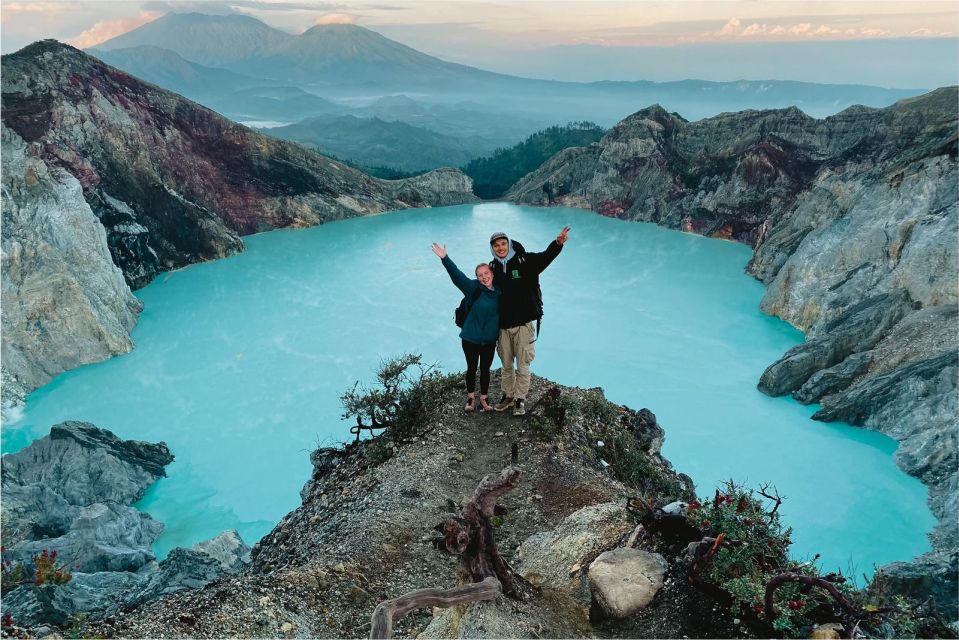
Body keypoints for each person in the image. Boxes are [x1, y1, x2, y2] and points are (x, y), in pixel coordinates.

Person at [488, 226, 570, 416]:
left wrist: (557, 244)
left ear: (508, 244)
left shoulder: (525, 261)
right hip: (503, 327)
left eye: (503, 244)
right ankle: (508, 396)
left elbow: (545, 258)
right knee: (506, 365)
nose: (500, 248)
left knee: (523, 364)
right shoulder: (492, 268)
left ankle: (520, 400)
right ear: (492, 249)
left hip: (523, 324)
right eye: (496, 245)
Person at [432, 242, 501, 412]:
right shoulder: (473, 288)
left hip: (489, 340)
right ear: (476, 277)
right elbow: (457, 276)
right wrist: (444, 258)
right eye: (480, 275)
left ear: (492, 273)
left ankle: (484, 399)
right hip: (470, 338)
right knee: (471, 368)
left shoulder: (501, 292)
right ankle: (471, 398)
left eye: (486, 273)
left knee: (485, 369)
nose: (484, 277)